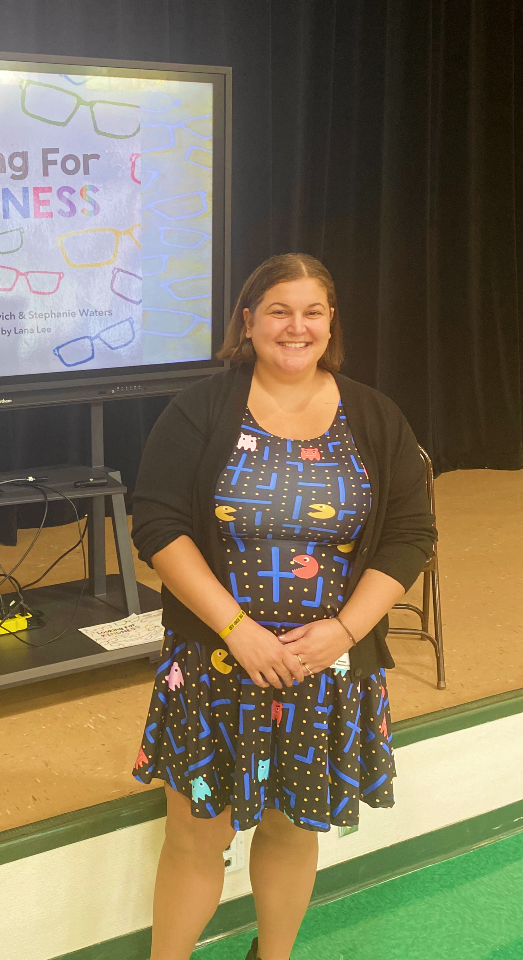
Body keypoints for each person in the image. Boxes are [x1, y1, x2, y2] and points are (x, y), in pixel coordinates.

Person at [130, 253, 437, 960]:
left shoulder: (375, 415)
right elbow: (158, 525)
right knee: (196, 836)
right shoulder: (201, 408)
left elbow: (410, 534)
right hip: (215, 662)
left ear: (330, 324)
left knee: (291, 827)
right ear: (249, 320)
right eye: (278, 310)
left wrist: (344, 632)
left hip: (322, 671)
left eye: (312, 312)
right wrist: (237, 630)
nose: (295, 327)